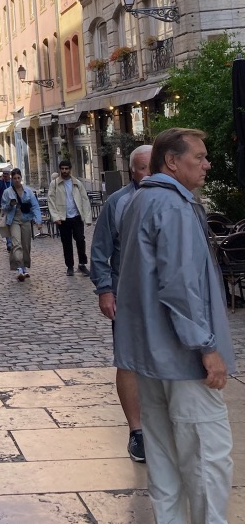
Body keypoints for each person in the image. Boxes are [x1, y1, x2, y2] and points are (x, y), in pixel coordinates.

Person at [115, 128, 245, 524]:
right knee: (207, 455)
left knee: (164, 452)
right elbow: (180, 285)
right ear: (172, 162)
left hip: (149, 353)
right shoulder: (172, 205)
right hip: (181, 354)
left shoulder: (137, 200)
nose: (207, 165)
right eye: (201, 157)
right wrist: (206, 347)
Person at [90, 144, 152, 464]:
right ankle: (137, 432)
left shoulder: (175, 200)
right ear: (132, 171)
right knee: (128, 360)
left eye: (154, 166)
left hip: (164, 297)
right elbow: (100, 252)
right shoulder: (118, 202)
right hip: (126, 294)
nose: (150, 173)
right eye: (144, 167)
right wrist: (105, 290)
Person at [47, 159, 92, 276]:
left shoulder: (77, 183)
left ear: (70, 169)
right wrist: (55, 217)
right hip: (63, 218)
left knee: (80, 240)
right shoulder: (54, 184)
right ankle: (70, 266)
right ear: (60, 169)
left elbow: (85, 199)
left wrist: (87, 217)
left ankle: (82, 264)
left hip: (76, 216)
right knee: (66, 243)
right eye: (62, 169)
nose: (64, 171)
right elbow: (51, 201)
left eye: (66, 169)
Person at [1, 169, 41, 281]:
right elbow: (3, 208)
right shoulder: (7, 192)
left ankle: (24, 267)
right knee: (16, 244)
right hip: (13, 220)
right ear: (12, 179)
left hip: (26, 220)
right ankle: (19, 268)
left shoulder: (28, 191)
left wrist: (38, 221)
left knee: (26, 245)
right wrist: (10, 204)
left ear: (21, 178)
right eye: (14, 178)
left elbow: (35, 206)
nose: (17, 180)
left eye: (18, 178)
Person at [0, 170, 13, 251]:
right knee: (6, 224)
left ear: (9, 174)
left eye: (6, 174)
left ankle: (13, 241)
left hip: (13, 206)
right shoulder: (0, 183)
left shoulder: (12, 182)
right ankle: (9, 242)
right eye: (4, 174)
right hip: (4, 206)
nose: (5, 176)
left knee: (13, 224)